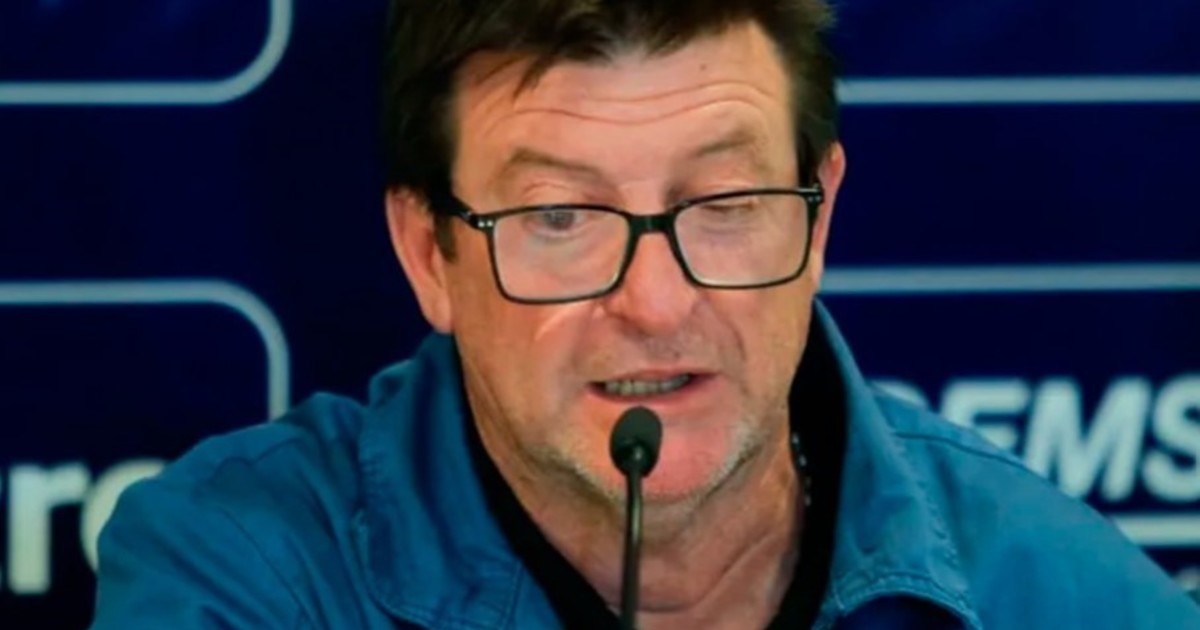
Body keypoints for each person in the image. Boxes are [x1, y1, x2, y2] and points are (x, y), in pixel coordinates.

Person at [90, 1, 1200, 628]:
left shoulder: (1051, 586)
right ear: (430, 254)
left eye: (725, 204)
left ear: (817, 219)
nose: (656, 302)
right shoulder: (242, 567)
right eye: (562, 217)